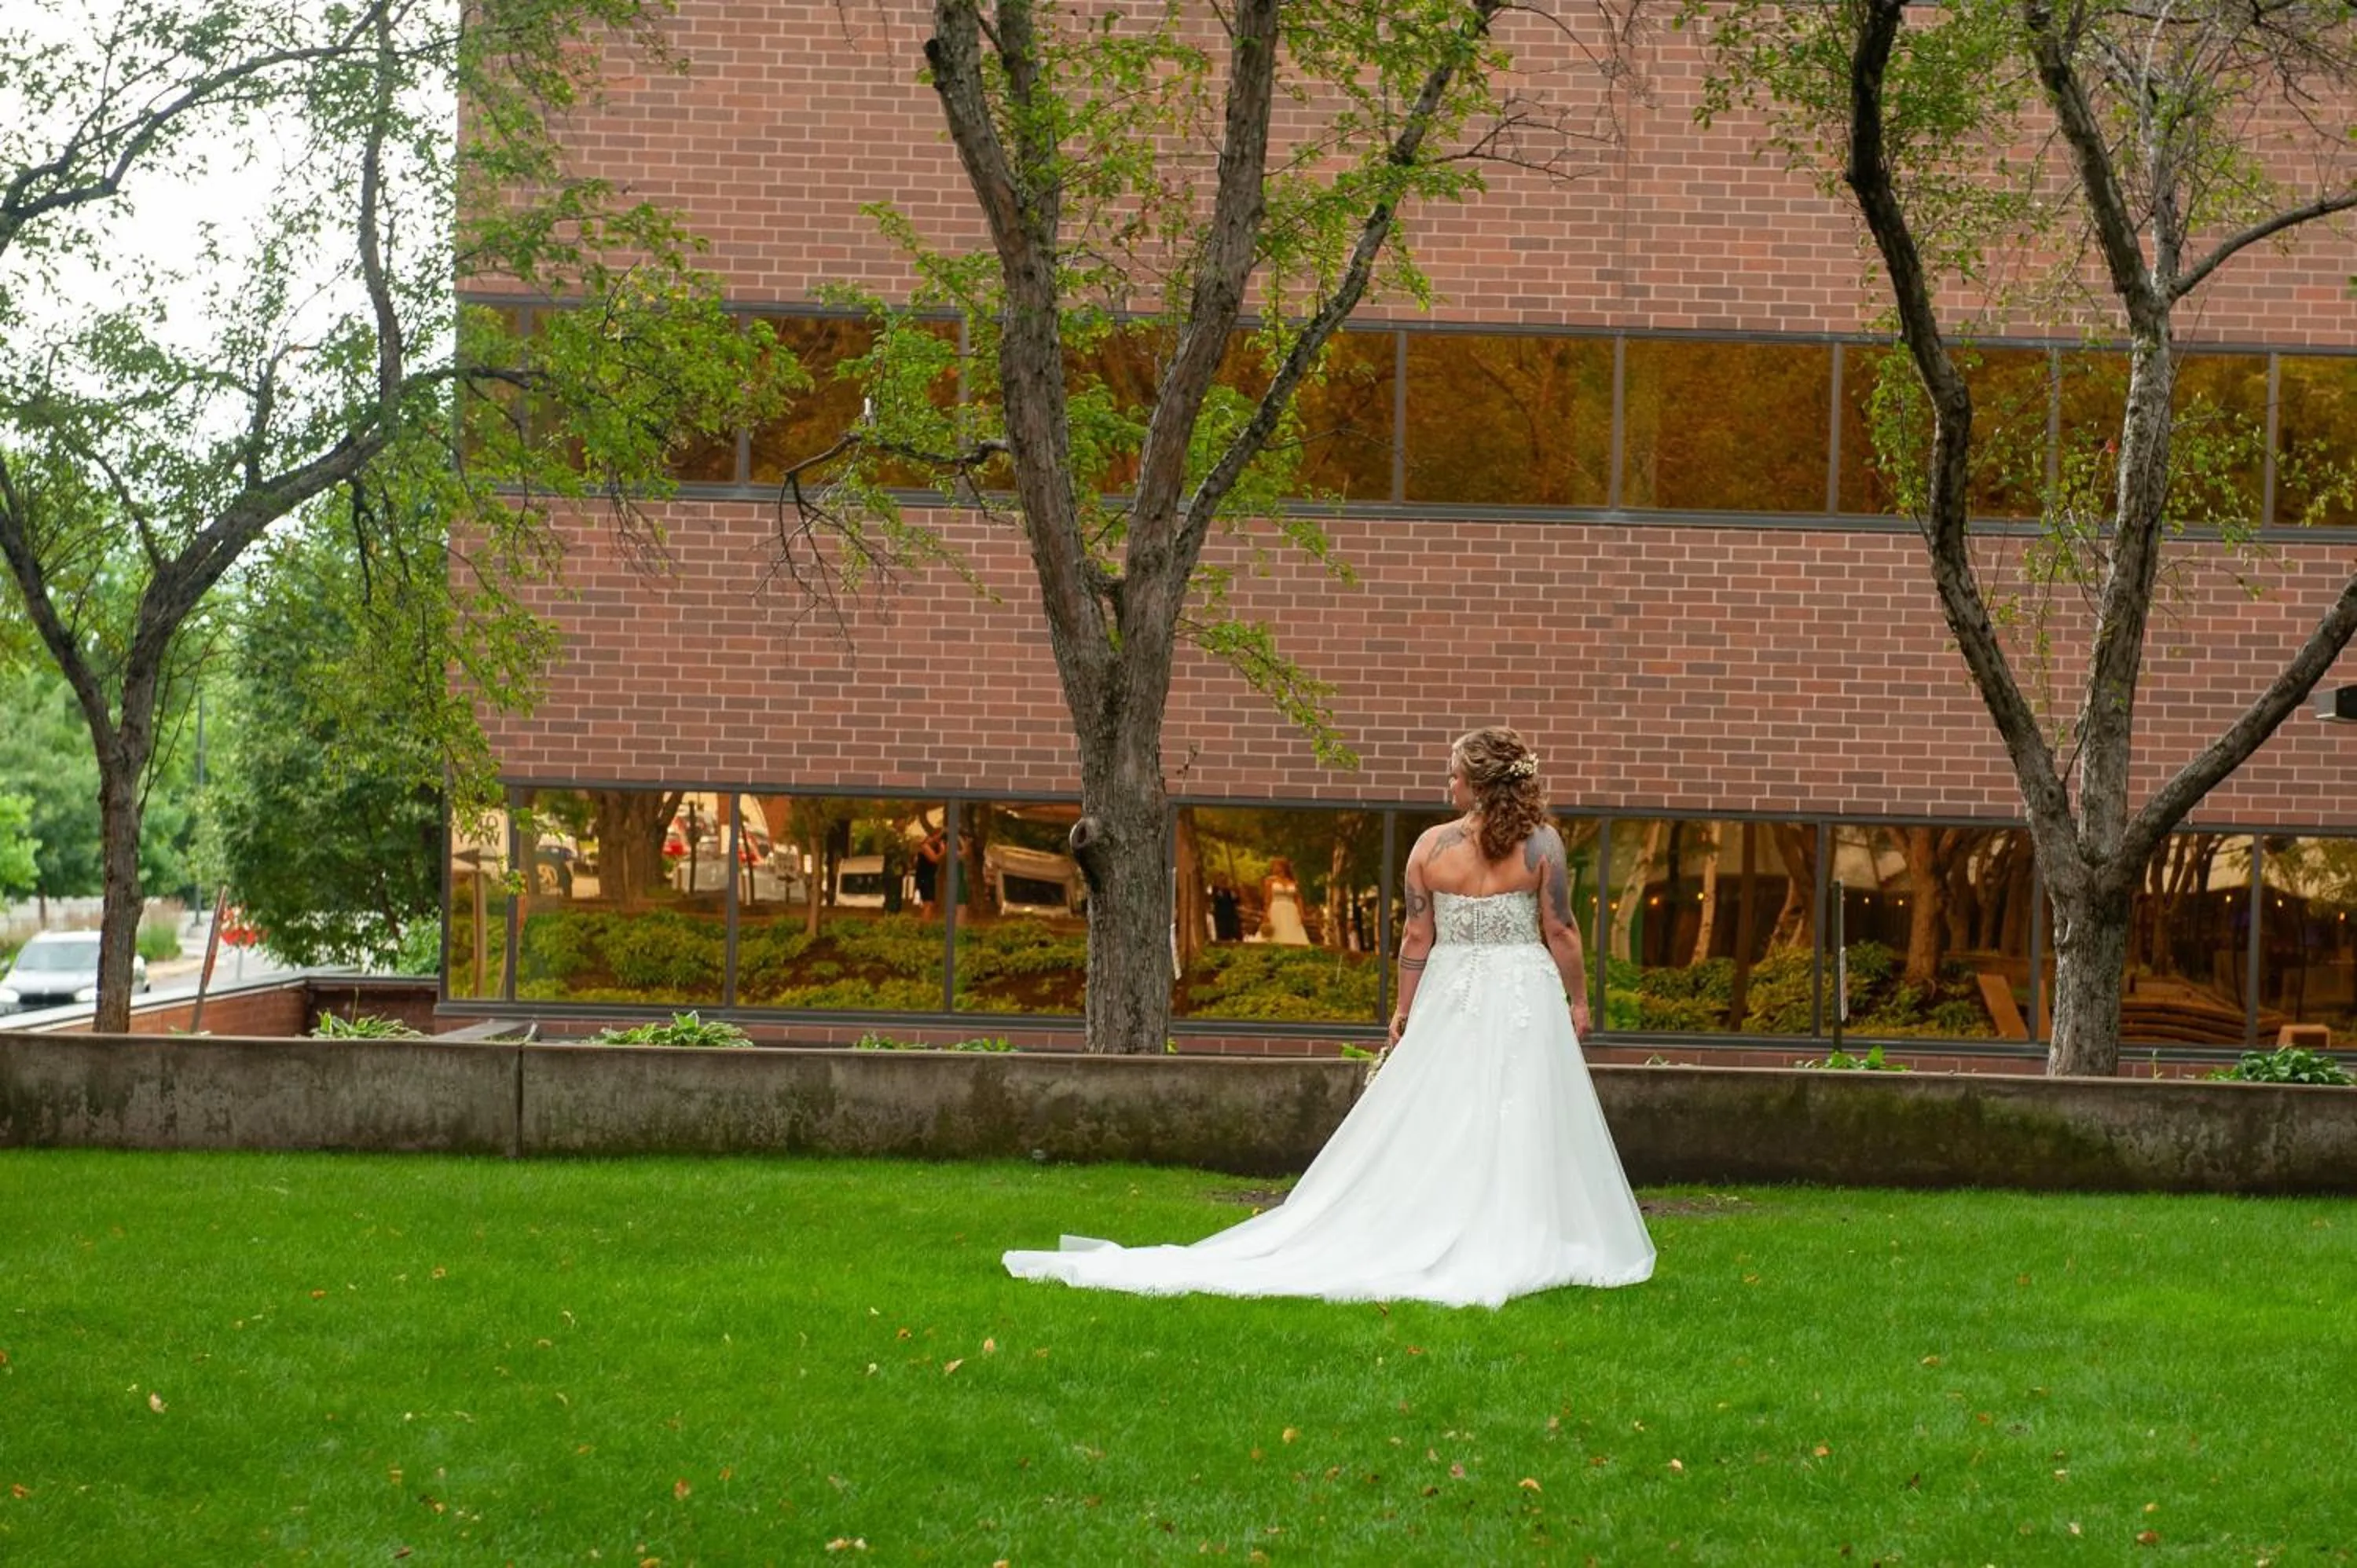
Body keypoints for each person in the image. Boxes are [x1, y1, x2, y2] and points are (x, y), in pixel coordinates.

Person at [1004, 727, 1655, 1307]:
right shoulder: (1543, 845)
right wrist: (1577, 1000)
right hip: (1521, 990)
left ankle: (1455, 1222)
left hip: (1452, 992)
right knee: (1520, 1105)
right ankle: (1518, 1229)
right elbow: (1561, 930)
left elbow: (1418, 938)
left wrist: (1404, 1011)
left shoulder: (1431, 847)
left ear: (1479, 783)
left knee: (1447, 1107)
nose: (1448, 784)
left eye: (1455, 774)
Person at [1259, 857, 1310, 946]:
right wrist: (1266, 913)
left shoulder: (1293, 882)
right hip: (1276, 907)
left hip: (1291, 909)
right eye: (1273, 866)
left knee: (1292, 929)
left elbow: (1298, 898)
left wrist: (1301, 912)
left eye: (1277, 866)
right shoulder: (1270, 881)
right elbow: (1267, 898)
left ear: (1284, 867)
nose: (1275, 868)